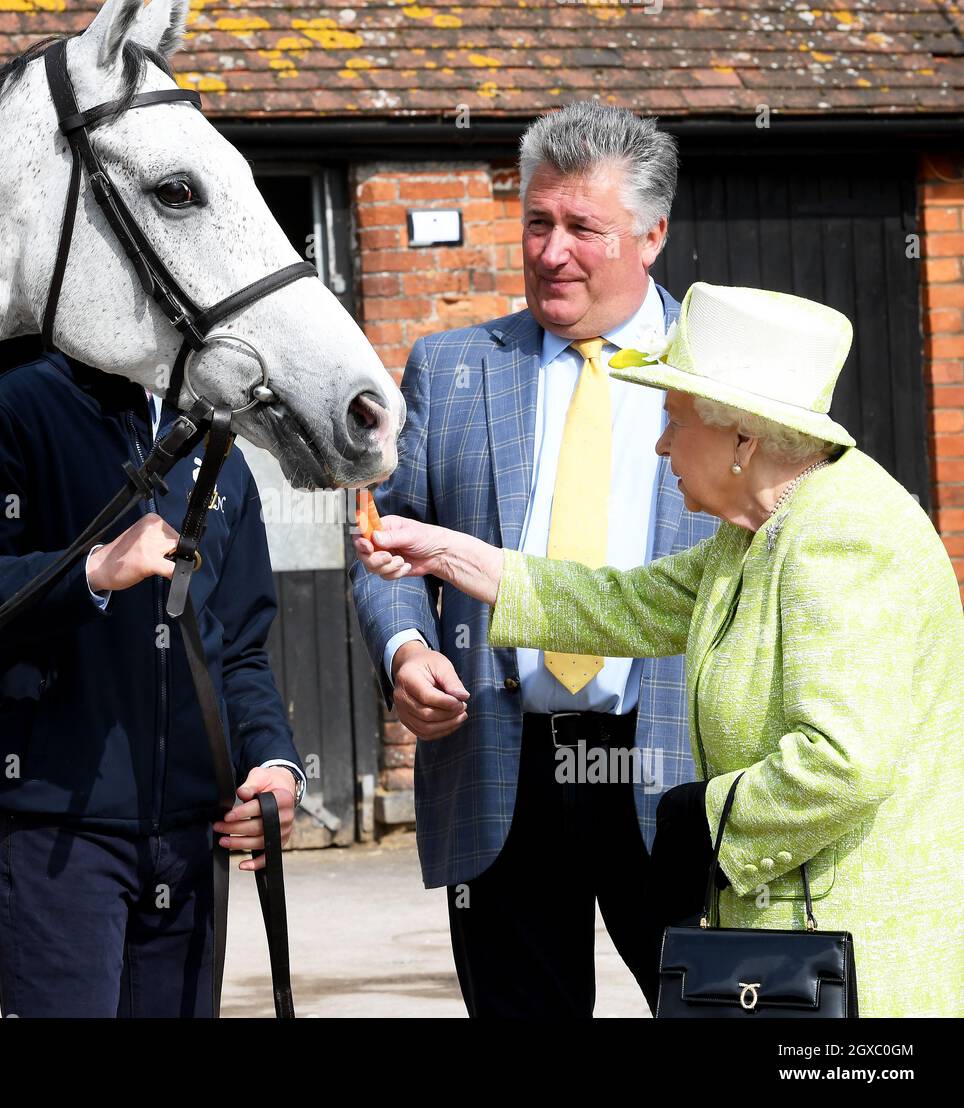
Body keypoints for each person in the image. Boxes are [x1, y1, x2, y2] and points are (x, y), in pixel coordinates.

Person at [355, 281, 964, 1018]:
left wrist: (703, 821)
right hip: (790, 948)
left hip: (861, 965)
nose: (660, 443)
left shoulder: (844, 536)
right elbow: (623, 603)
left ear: (743, 437)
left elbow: (843, 762)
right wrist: (445, 553)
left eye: (673, 419)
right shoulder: (754, 537)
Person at [350, 100, 717, 1016]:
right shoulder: (454, 366)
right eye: (537, 223)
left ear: (652, 234)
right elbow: (384, 547)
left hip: (669, 763)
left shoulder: (718, 374)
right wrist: (408, 651)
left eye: (584, 228)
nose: (551, 252)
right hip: (502, 764)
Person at [0, 351, 305, 1018]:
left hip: (192, 836)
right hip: (57, 834)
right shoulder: (9, 415)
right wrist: (91, 569)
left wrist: (274, 762)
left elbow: (238, 651)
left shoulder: (219, 446)